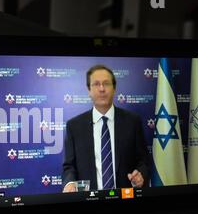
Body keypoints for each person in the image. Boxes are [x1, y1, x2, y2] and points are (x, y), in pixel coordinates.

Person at [62, 64, 150, 193]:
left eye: (106, 83)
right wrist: (69, 183)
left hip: (126, 200)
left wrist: (141, 174)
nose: (102, 89)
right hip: (88, 201)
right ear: (89, 90)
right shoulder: (74, 126)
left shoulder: (133, 121)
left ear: (114, 88)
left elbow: (143, 161)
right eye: (96, 84)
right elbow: (69, 166)